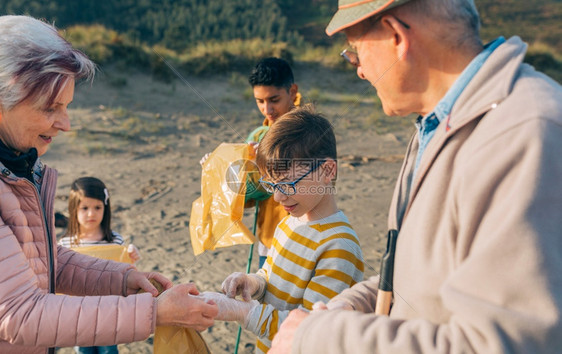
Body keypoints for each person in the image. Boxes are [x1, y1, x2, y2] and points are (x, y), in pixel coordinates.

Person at [270, 0, 562, 353]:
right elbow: (416, 278)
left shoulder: (525, 132)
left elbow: (506, 343)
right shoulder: (436, 125)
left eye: (355, 51)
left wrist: (323, 337)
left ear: (396, 36)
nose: (358, 69)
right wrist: (349, 306)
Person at [0, 15, 217, 354]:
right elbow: (20, 313)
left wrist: (122, 279)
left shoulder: (18, 167)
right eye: (50, 108)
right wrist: (155, 313)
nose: (66, 124)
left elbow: (44, 260)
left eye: (66, 107)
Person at [197, 105, 364, 353]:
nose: (276, 197)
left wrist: (241, 311)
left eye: (287, 184)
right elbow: (270, 276)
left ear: (327, 171)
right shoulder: (288, 222)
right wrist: (253, 283)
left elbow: (308, 332)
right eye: (271, 184)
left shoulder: (338, 246)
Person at [201, 57, 301, 268]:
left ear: (292, 92)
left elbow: (314, 184)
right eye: (260, 101)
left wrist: (264, 164)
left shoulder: (309, 129)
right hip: (268, 241)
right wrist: (222, 168)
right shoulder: (258, 134)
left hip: (302, 241)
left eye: (274, 99)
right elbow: (247, 198)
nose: (267, 109)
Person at [59, 177, 141, 263]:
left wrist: (131, 256)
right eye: (85, 208)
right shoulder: (64, 245)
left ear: (105, 209)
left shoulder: (116, 241)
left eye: (97, 208)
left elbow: (123, 272)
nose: (91, 214)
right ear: (73, 210)